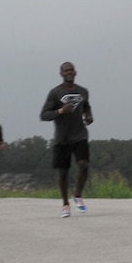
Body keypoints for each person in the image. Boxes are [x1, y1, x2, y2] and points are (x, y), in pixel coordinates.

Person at [40, 62, 93, 217]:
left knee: (83, 164)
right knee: (63, 173)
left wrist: (88, 115)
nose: (69, 72)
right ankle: (65, 204)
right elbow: (44, 115)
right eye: (66, 71)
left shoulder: (83, 91)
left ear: (75, 73)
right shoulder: (55, 93)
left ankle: (77, 195)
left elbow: (86, 106)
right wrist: (61, 111)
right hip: (62, 138)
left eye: (71, 70)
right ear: (61, 74)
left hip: (80, 135)